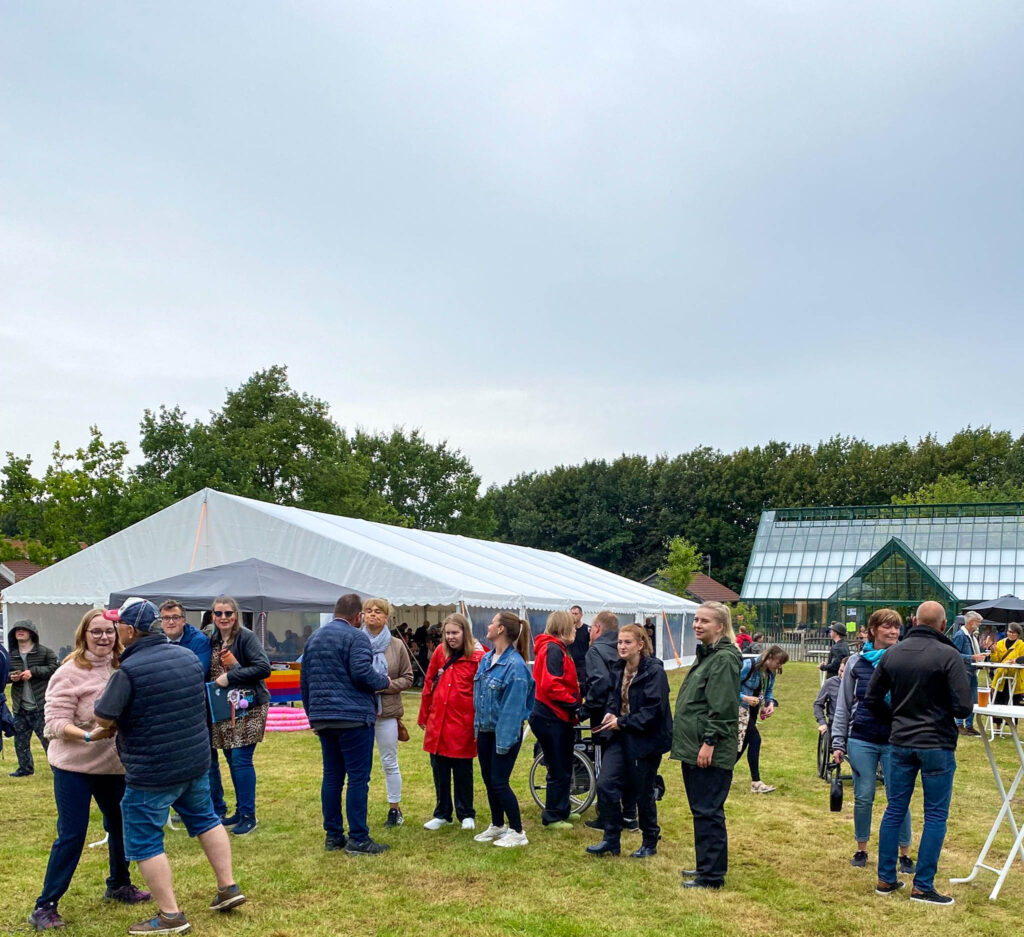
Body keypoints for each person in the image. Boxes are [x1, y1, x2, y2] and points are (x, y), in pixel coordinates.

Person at [93, 597, 245, 935]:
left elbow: (103, 716)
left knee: (145, 839)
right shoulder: (188, 657)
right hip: (194, 760)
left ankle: (170, 915)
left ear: (129, 630)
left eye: (117, 625)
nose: (115, 630)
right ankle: (228, 887)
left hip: (152, 770)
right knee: (206, 819)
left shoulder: (128, 671)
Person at [27, 610, 152, 931]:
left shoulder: (124, 666)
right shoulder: (68, 673)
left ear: (119, 634)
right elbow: (53, 724)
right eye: (95, 632)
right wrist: (87, 734)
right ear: (83, 635)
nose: (103, 638)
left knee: (122, 826)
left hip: (115, 766)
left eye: (109, 632)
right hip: (75, 766)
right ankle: (46, 905)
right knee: (72, 833)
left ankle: (119, 885)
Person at [864, 600, 973, 905]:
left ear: (913, 620)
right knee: (935, 814)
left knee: (895, 808)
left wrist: (896, 715)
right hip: (937, 742)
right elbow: (963, 706)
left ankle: (885, 879)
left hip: (900, 741)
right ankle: (922, 886)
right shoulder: (949, 655)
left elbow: (871, 699)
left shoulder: (892, 654)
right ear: (942, 625)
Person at [301, 593, 392, 854]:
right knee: (357, 778)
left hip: (323, 717)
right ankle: (359, 838)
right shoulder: (357, 637)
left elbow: (305, 680)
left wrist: (312, 716)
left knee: (332, 777)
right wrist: (384, 681)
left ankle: (333, 835)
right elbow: (362, 673)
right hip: (352, 717)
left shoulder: (314, 638)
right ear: (358, 617)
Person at [830, 609, 914, 872]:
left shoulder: (905, 659)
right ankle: (861, 849)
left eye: (897, 627)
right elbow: (843, 704)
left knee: (898, 797)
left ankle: (904, 853)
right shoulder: (856, 662)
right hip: (862, 738)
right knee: (864, 796)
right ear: (873, 629)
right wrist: (838, 741)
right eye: (888, 627)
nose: (893, 632)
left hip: (895, 740)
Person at [670, 601, 741, 890]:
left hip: (708, 747)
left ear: (720, 627)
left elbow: (722, 708)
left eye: (705, 621)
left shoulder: (724, 659)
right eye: (696, 620)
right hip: (694, 745)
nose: (697, 625)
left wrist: (709, 743)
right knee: (701, 809)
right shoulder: (708, 655)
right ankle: (705, 867)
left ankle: (712, 877)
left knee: (709, 810)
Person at [586, 624, 671, 858]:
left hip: (646, 740)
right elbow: (614, 698)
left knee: (642, 792)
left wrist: (621, 722)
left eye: (627, 642)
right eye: (620, 642)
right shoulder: (618, 667)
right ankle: (611, 839)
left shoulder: (654, 671)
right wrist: (611, 712)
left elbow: (653, 711)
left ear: (640, 645)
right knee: (605, 784)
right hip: (620, 735)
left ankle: (649, 841)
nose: (621, 647)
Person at [208, 595, 271, 836]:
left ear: (236, 614)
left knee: (242, 758)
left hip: (250, 705)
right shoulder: (213, 639)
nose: (223, 618)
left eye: (228, 613)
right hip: (225, 708)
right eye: (218, 613)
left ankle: (248, 815)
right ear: (212, 616)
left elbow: (264, 668)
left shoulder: (246, 637)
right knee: (232, 759)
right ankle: (240, 810)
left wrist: (231, 676)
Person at [157, 601, 226, 820]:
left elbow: (197, 672)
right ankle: (184, 808)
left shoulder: (197, 640)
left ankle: (216, 807)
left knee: (207, 759)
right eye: (166, 618)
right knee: (176, 759)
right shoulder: (157, 639)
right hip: (167, 710)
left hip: (196, 709)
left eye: (175, 617)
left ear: (184, 620)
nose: (170, 622)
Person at [472, 611, 535, 848]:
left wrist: (503, 742)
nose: (488, 626)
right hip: (486, 730)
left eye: (492, 622)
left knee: (499, 781)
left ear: (500, 630)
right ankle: (498, 824)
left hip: (504, 734)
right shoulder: (487, 660)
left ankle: (518, 831)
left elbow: (512, 711)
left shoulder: (515, 667)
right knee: (489, 780)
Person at [418, 613, 484, 830]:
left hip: (463, 722)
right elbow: (429, 681)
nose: (451, 637)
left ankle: (466, 813)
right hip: (439, 721)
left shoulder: (477, 655)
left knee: (463, 769)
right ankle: (442, 812)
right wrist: (424, 714)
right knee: (439, 769)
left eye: (455, 633)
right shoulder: (439, 652)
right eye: (447, 633)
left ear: (465, 632)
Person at [584, 610, 638, 833]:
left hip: (606, 716)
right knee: (626, 766)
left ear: (597, 628)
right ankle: (629, 815)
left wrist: (583, 710)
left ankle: (608, 816)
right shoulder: (621, 650)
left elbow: (600, 683)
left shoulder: (595, 651)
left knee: (606, 768)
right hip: (627, 717)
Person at [361, 597, 414, 828]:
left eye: (378, 612)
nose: (373, 615)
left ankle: (394, 809)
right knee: (360, 765)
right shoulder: (354, 641)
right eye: (368, 611)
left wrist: (385, 685)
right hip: (360, 710)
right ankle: (357, 811)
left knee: (389, 761)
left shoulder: (396, 645)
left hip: (387, 711)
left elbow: (408, 677)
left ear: (386, 616)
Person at [529, 610, 582, 829]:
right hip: (551, 716)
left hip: (557, 716)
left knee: (563, 766)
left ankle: (562, 808)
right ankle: (552, 815)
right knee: (557, 767)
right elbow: (551, 685)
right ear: (564, 627)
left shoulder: (556, 648)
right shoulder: (552, 649)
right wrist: (574, 703)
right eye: (573, 625)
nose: (576, 628)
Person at [7, 619, 58, 777]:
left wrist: (33, 672)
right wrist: (11, 677)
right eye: (17, 630)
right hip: (20, 706)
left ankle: (57, 768)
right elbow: (4, 674)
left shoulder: (45, 652)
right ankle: (25, 769)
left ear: (32, 633)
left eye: (24, 629)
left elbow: (56, 668)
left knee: (47, 740)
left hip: (41, 705)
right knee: (20, 741)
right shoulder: (11, 655)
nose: (20, 632)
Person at [738, 645, 787, 793]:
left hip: (753, 710)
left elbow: (768, 691)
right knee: (755, 740)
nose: (779, 666)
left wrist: (769, 703)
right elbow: (728, 686)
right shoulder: (748, 665)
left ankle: (721, 773)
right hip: (739, 709)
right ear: (769, 657)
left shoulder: (771, 673)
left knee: (743, 743)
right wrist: (744, 698)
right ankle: (756, 782)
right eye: (778, 662)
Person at [950, 611, 985, 736]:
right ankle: (959, 724)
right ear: (971, 622)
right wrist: (972, 657)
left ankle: (969, 725)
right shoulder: (960, 635)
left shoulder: (971, 636)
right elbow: (955, 654)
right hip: (964, 671)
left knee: (973, 699)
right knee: (963, 698)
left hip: (972, 670)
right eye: (978, 622)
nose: (979, 625)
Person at [989, 621, 1024, 728]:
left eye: (1014, 633)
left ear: (1018, 634)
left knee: (1014, 701)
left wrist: (1016, 660)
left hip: (1015, 677)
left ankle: (1013, 726)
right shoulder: (1000, 643)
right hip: (1001, 676)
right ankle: (997, 727)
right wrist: (993, 651)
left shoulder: (1021, 645)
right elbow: (995, 660)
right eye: (1010, 632)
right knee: (998, 701)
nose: (1011, 634)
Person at [813, 657, 846, 735]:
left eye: (846, 672)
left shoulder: (857, 685)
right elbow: (818, 704)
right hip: (834, 724)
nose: (842, 675)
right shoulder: (830, 683)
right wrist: (822, 722)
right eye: (841, 671)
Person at [568, 605, 590, 698]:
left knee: (583, 690)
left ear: (581, 615)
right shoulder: (568, 630)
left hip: (583, 666)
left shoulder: (587, 629)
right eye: (572, 614)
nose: (573, 616)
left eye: (576, 614)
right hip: (570, 664)